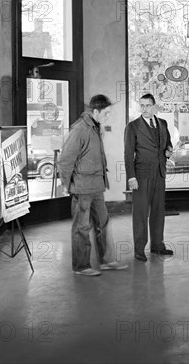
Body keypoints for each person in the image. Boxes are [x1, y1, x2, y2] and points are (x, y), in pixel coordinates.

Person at [58, 94, 128, 276]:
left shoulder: (95, 128)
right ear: (95, 111)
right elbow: (65, 161)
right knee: (82, 227)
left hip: (96, 186)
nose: (108, 116)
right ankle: (81, 267)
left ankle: (106, 260)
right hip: (82, 188)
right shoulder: (80, 129)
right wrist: (67, 185)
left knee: (103, 223)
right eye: (106, 113)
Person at [124, 93, 173, 261]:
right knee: (140, 213)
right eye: (142, 105)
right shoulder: (133, 127)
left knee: (159, 212)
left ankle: (157, 246)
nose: (144, 109)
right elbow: (128, 154)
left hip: (160, 173)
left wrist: (168, 152)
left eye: (148, 105)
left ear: (154, 107)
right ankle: (139, 249)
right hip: (141, 175)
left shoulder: (163, 123)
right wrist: (131, 177)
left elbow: (168, 145)